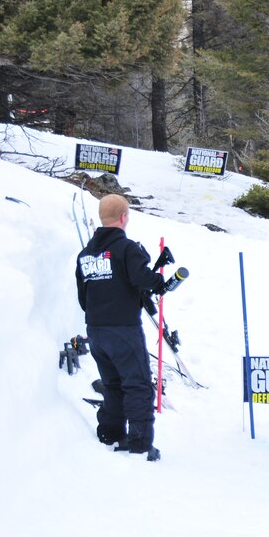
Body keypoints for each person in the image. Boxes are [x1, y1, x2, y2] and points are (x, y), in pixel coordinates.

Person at [75, 194, 166, 461]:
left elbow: (83, 297)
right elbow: (141, 278)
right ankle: (139, 443)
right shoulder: (127, 248)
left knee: (113, 384)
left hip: (96, 330)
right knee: (137, 385)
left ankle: (109, 433)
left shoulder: (85, 254)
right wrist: (158, 283)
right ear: (124, 217)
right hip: (123, 329)